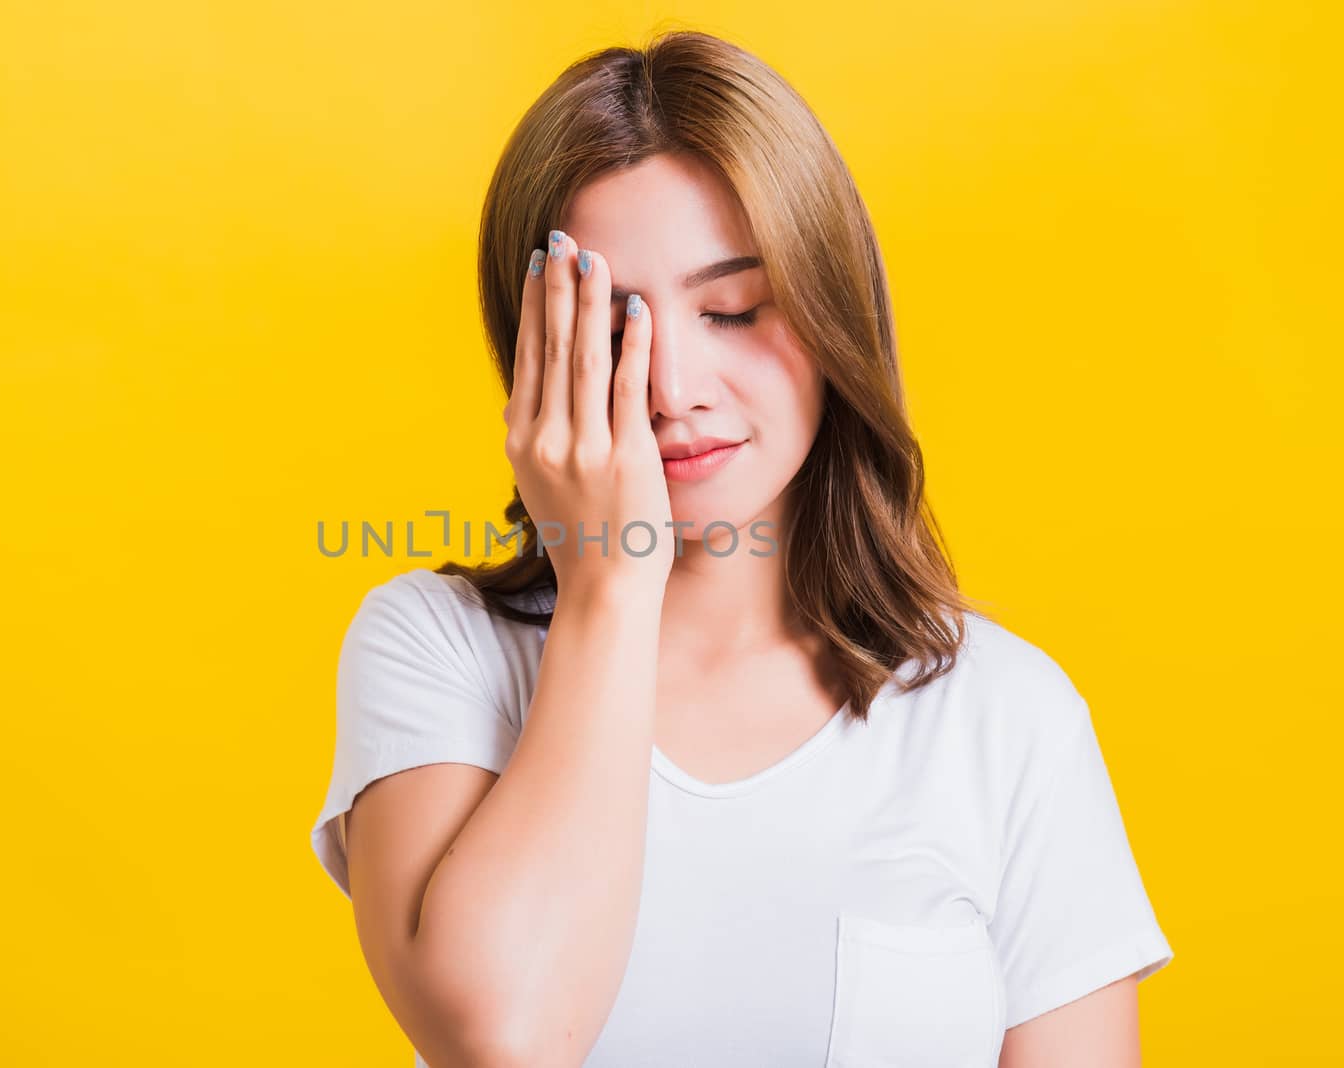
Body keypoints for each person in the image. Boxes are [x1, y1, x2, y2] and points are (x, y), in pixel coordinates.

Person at [309, 30, 1172, 1067]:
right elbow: (504, 1038)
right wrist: (609, 580)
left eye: (732, 310)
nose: (673, 388)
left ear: (830, 308)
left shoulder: (1002, 713)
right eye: (612, 330)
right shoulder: (436, 653)